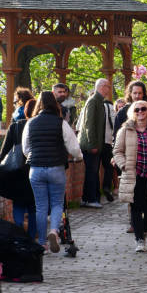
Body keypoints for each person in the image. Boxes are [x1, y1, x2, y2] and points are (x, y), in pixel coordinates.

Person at [22, 91, 82, 252]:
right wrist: (78, 157)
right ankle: (54, 231)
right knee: (57, 204)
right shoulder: (60, 123)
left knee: (41, 206)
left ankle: (42, 243)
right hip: (56, 167)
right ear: (54, 104)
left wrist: (35, 156)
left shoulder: (31, 123)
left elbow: (26, 148)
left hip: (36, 169)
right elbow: (73, 147)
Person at [113, 101, 147, 252]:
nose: (140, 112)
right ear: (133, 112)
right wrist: (123, 165)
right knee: (136, 208)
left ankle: (142, 231)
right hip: (134, 175)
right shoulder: (125, 130)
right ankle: (139, 240)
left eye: (143, 109)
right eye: (137, 109)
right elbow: (117, 151)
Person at [0, 99, 37, 239]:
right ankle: (32, 236)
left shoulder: (15, 127)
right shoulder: (37, 125)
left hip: (16, 172)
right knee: (34, 206)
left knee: (18, 203)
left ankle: (19, 230)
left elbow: (4, 151)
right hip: (33, 168)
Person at [78, 78, 111, 208]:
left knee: (94, 171)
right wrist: (92, 144)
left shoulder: (99, 101)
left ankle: (91, 197)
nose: (109, 89)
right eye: (108, 86)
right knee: (92, 171)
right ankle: (90, 198)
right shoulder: (93, 101)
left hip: (97, 144)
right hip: (91, 145)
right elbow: (89, 124)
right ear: (102, 87)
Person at [100, 99, 116, 202]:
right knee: (108, 166)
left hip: (95, 142)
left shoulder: (93, 106)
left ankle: (94, 195)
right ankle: (106, 186)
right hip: (108, 141)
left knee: (93, 169)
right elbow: (115, 124)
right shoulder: (110, 108)